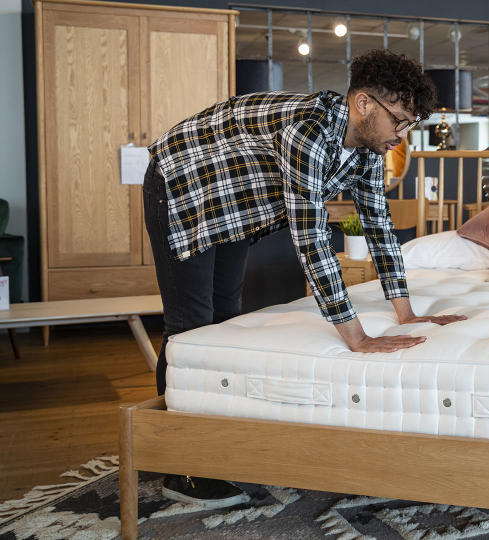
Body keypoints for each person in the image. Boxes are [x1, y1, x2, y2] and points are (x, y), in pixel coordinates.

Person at [142, 49, 465, 508]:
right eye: (399, 120)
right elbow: (311, 238)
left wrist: (407, 312)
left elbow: (379, 227)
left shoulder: (370, 150)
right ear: (365, 104)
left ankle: (211, 443)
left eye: (410, 125)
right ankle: (181, 466)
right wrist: (355, 336)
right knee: (190, 325)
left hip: (232, 202)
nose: (401, 134)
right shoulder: (309, 130)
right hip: (182, 182)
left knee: (224, 321)